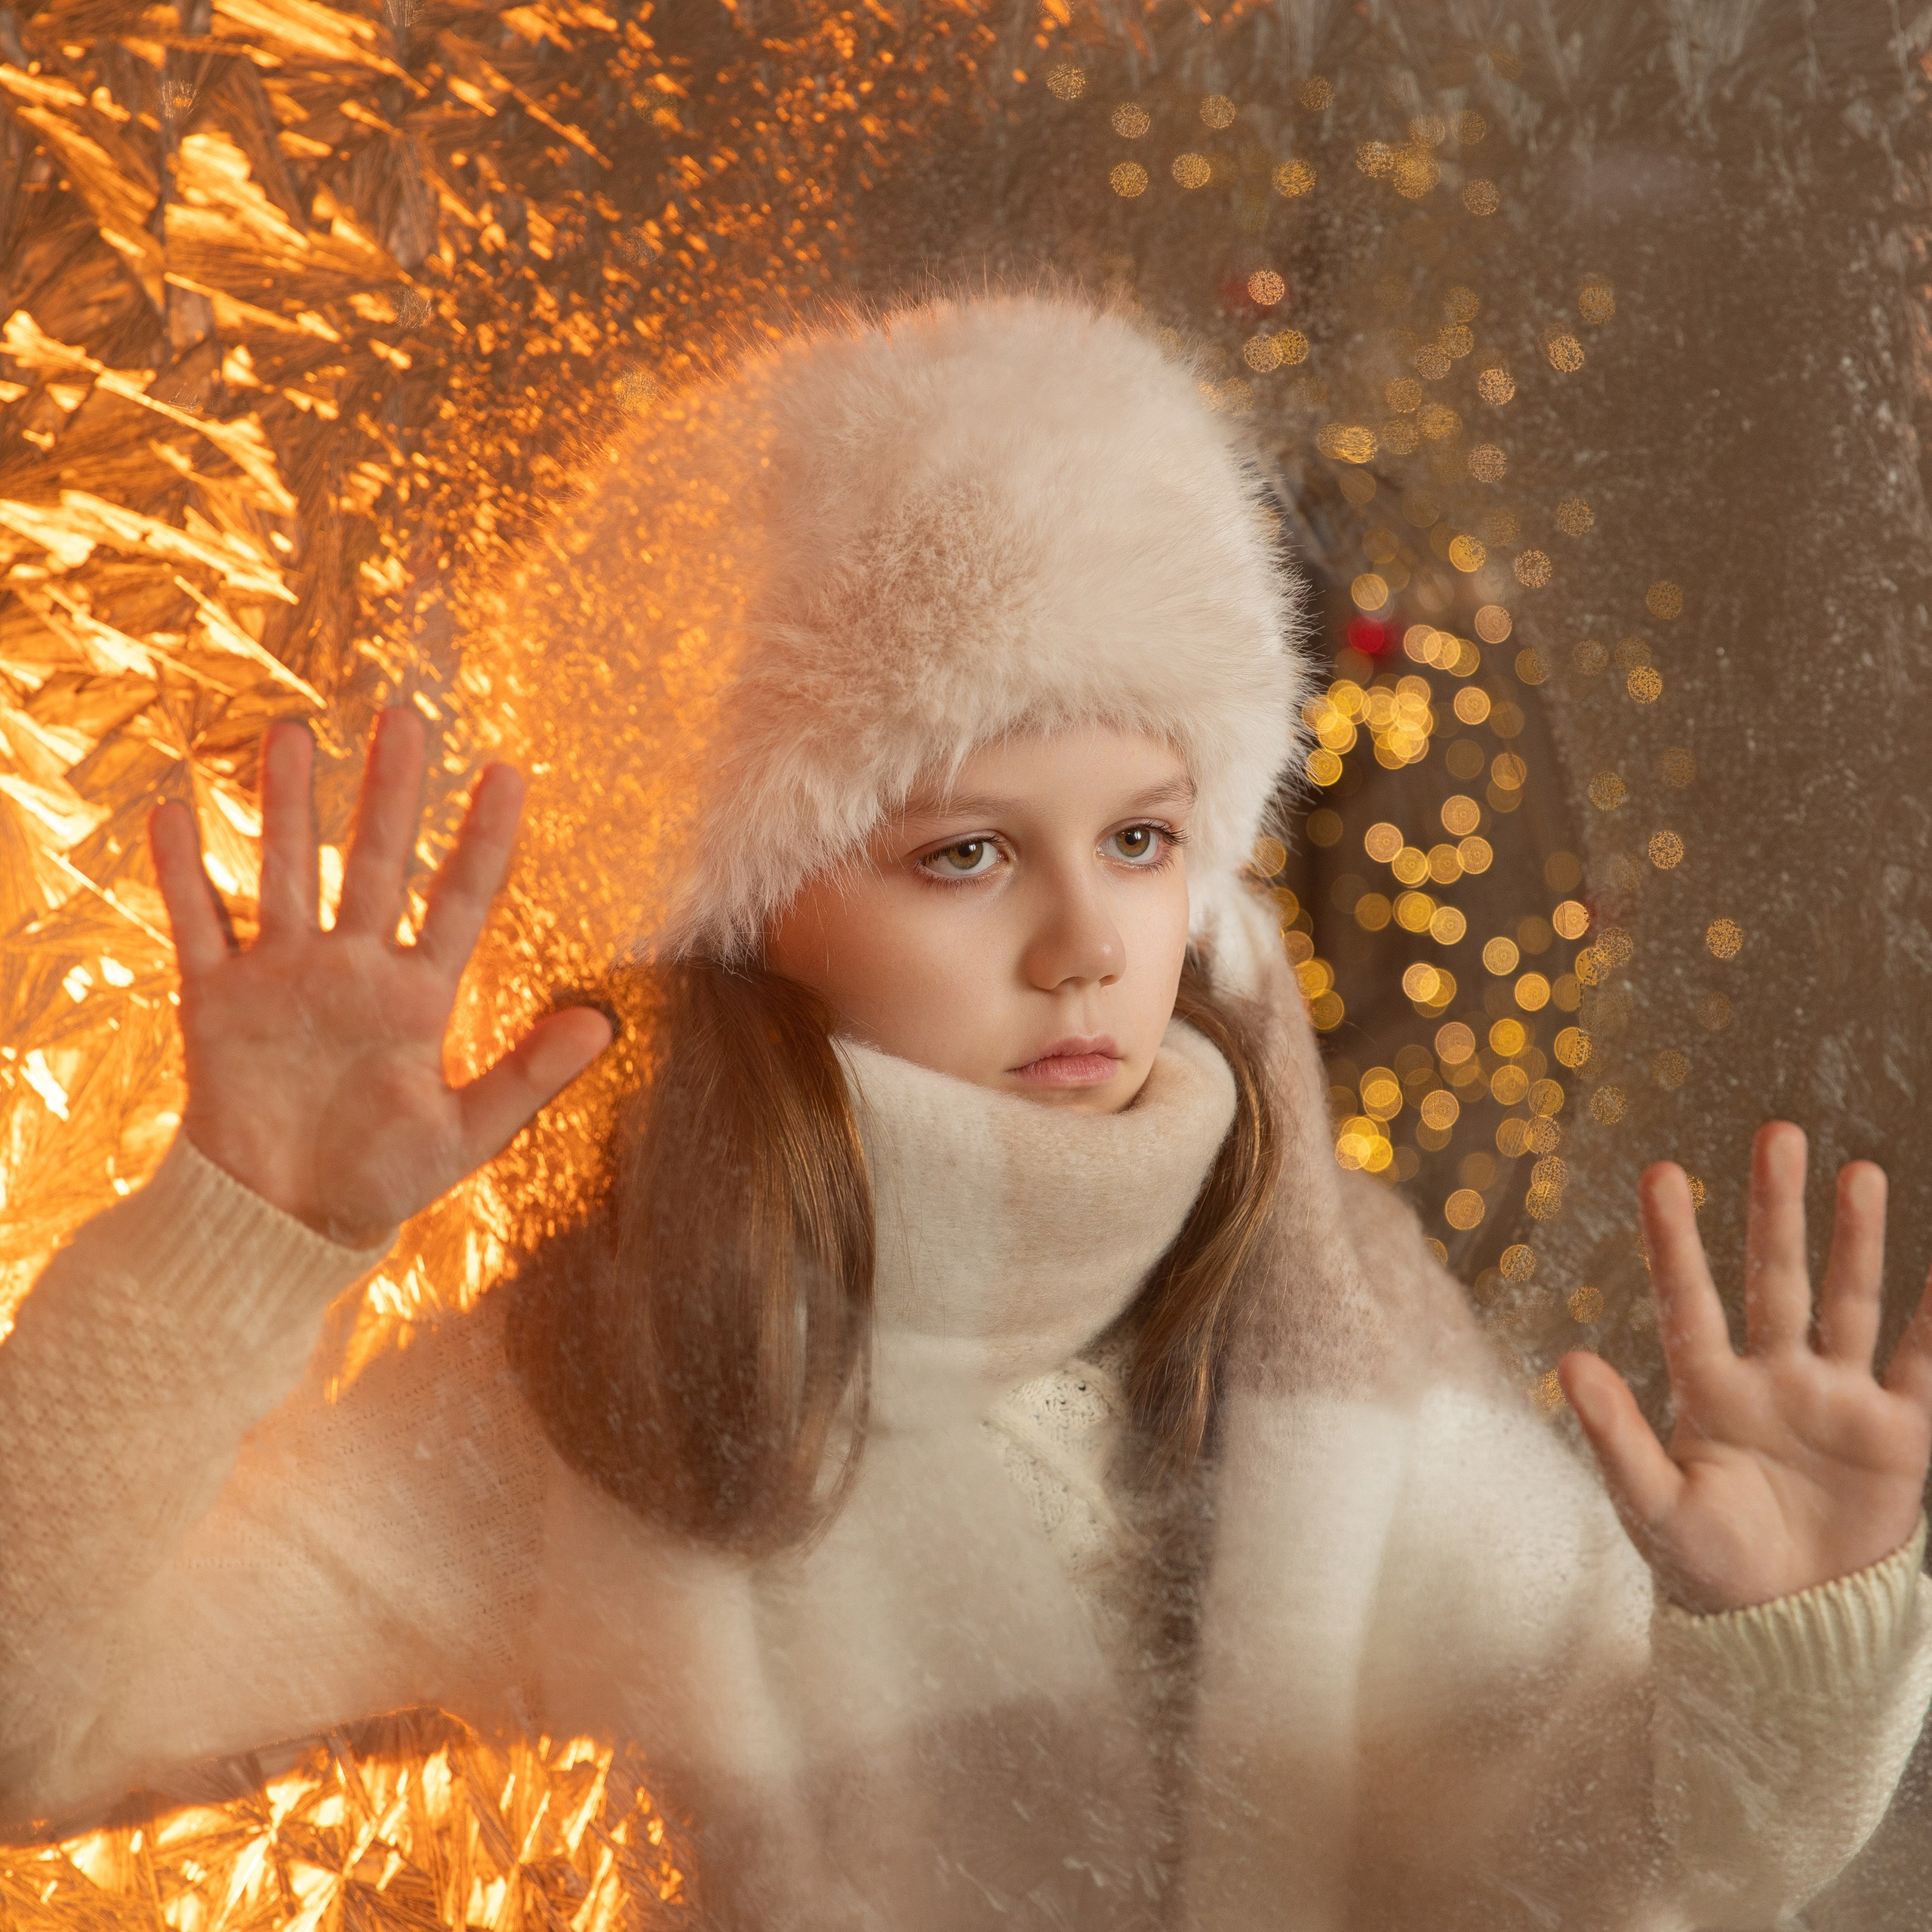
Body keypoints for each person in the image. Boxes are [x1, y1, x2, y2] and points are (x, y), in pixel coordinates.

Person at [1, 290, 1930, 1930]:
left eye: (1146, 835)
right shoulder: (613, 1400)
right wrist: (236, 1234)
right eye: (963, 852)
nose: (1090, 939)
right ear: (754, 908)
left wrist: (1777, 1650)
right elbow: (37, 1728)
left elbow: (1593, 1860)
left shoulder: (1324, 1311)